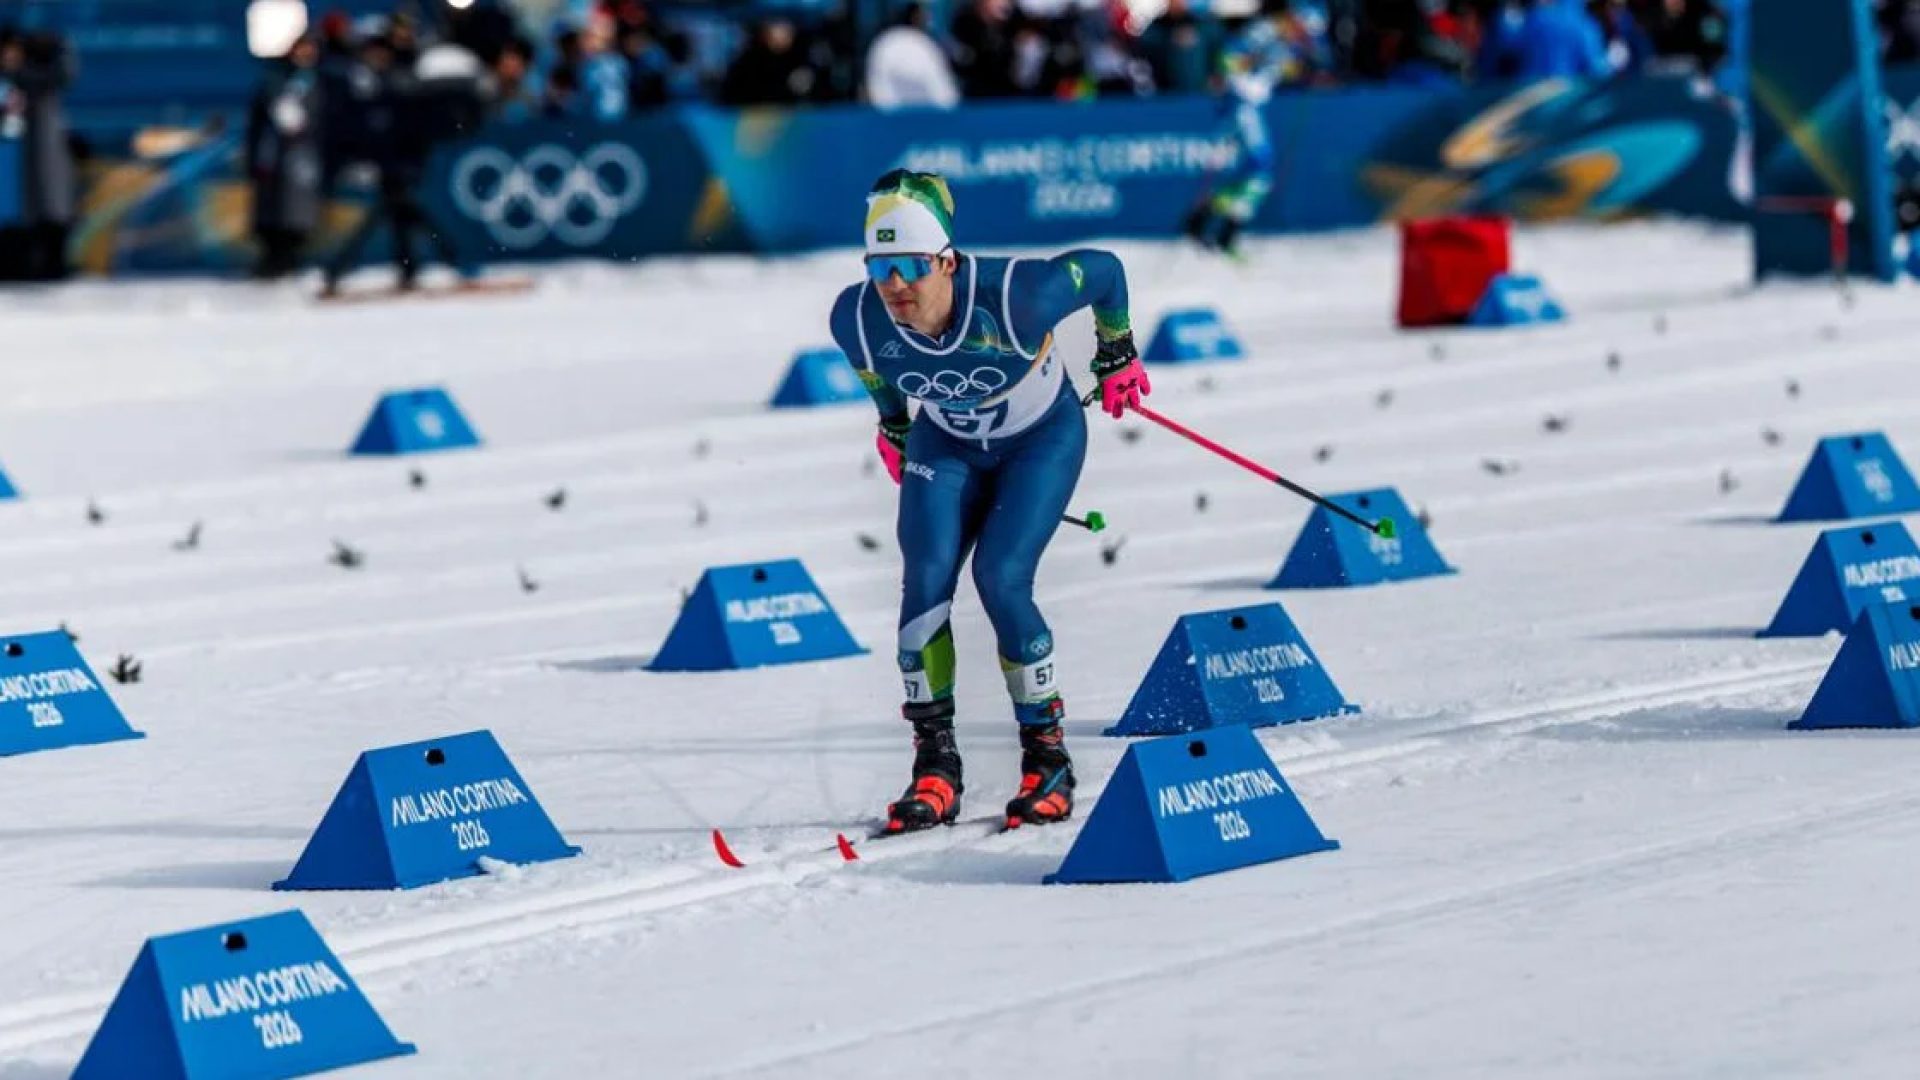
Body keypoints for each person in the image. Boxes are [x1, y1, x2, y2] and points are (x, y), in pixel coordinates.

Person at [826, 170, 1151, 835]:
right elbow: (874, 370)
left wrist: (1115, 349)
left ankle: (1048, 759)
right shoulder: (854, 317)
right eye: (880, 267)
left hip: (1039, 441)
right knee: (923, 584)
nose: (895, 285)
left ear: (946, 260)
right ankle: (935, 767)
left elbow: (1108, 269)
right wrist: (892, 423)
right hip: (945, 443)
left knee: (1000, 578)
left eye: (912, 266)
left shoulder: (1018, 295)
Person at [246, 35, 326, 279]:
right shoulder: (276, 79)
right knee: (270, 212)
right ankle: (272, 259)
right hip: (273, 157)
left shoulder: (319, 81)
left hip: (303, 157)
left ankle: (290, 259)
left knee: (297, 214)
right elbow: (259, 120)